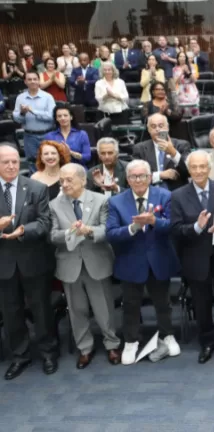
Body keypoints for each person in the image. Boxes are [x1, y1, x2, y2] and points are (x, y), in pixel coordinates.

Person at [106, 159, 181, 365]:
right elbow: (110, 233)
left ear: (150, 178)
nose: (138, 180)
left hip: (159, 259)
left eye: (142, 176)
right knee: (130, 305)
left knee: (163, 303)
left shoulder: (165, 195)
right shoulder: (116, 201)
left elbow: (173, 226)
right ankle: (131, 341)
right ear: (127, 179)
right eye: (133, 176)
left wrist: (154, 222)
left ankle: (168, 335)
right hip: (130, 261)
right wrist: (133, 228)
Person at [49, 163, 121, 369]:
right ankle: (85, 348)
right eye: (61, 180)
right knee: (76, 310)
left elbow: (107, 229)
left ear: (83, 180)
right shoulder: (55, 204)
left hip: (96, 261)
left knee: (104, 308)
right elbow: (52, 235)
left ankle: (111, 344)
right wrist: (69, 233)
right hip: (69, 265)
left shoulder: (100, 200)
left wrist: (89, 231)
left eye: (69, 180)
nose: (64, 184)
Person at [170, 151, 214, 364]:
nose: (199, 171)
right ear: (189, 170)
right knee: (201, 304)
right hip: (195, 258)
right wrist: (196, 227)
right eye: (194, 167)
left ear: (209, 168)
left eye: (202, 167)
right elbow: (175, 230)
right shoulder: (178, 195)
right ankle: (207, 341)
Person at [0, 144, 57, 380]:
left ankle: (48, 353)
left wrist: (23, 229)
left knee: (41, 309)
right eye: (6, 162)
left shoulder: (36, 188)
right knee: (11, 313)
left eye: (15, 161)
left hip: (33, 260)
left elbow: (45, 222)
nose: (12, 166)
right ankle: (20, 356)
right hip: (4, 264)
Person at [132, 113, 191, 191]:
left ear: (167, 128)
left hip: (176, 194)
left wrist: (173, 153)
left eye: (161, 126)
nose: (157, 129)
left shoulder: (182, 145)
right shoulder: (139, 149)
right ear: (149, 130)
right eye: (153, 126)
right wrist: (160, 175)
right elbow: (135, 176)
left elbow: (189, 172)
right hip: (150, 192)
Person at [13, 71, 56, 174]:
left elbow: (51, 116)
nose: (32, 81)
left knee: (49, 162)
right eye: (29, 79)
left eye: (35, 79)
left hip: (47, 134)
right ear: (25, 82)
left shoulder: (47, 97)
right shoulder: (20, 98)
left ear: (38, 80)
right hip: (29, 136)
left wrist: (33, 111)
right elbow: (16, 118)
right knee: (32, 163)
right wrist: (22, 113)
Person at [172, 51, 199, 117]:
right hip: (181, 90)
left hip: (191, 89)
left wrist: (188, 72)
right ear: (178, 58)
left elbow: (195, 80)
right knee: (182, 111)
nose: (182, 58)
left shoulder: (192, 67)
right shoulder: (175, 69)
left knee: (193, 110)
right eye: (180, 56)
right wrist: (181, 72)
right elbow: (175, 82)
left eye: (184, 56)